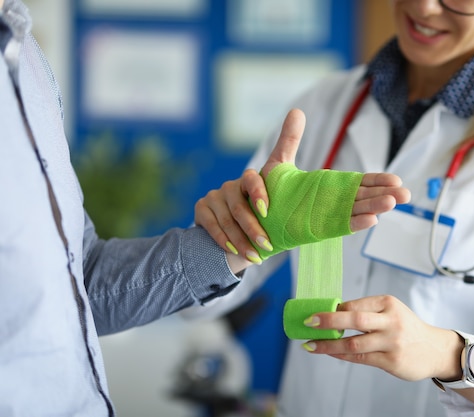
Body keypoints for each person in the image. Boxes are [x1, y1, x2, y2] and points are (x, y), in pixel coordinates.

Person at [198, 0, 474, 415]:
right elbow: (201, 304)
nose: (424, 7)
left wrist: (447, 354)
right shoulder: (322, 105)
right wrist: (230, 241)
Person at [0, 0, 411, 415]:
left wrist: (242, 239)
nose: (427, 8)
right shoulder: (328, 101)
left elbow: (78, 281)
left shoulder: (28, 59)